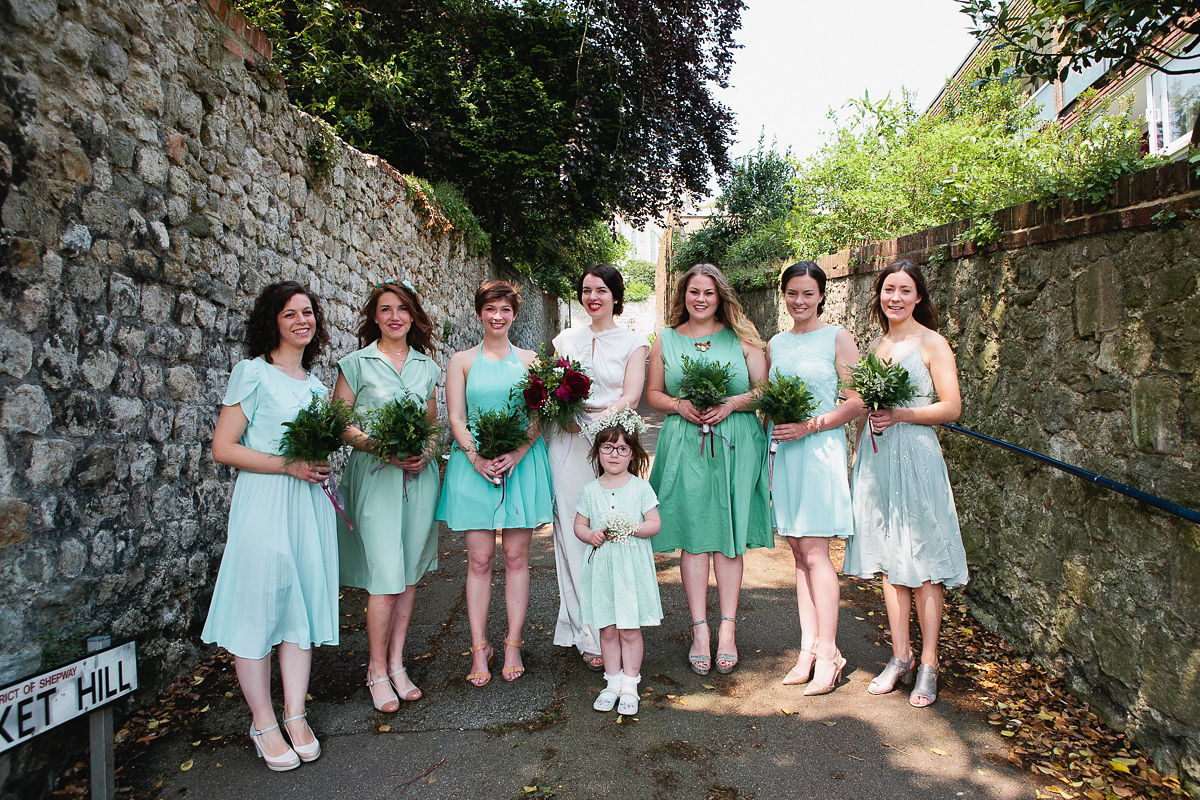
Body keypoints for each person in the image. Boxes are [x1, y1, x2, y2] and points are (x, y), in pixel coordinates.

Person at [202, 281, 337, 771]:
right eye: (290, 314)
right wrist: (290, 465)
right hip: (265, 502)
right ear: (272, 322)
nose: (302, 321)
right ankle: (262, 722)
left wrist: (316, 465)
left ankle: (295, 715)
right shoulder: (252, 373)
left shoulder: (317, 387)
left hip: (308, 505)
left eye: (308, 312)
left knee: (299, 606)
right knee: (258, 607)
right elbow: (225, 447)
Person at [843, 259, 967, 708]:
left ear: (918, 297)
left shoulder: (931, 343)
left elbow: (951, 407)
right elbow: (865, 407)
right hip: (878, 461)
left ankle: (930, 664)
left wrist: (901, 415)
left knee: (925, 562)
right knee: (890, 562)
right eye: (888, 289)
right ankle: (901, 657)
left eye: (904, 290)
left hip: (917, 456)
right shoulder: (877, 347)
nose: (894, 297)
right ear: (879, 295)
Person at [645, 263, 772, 676]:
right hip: (685, 440)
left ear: (721, 298)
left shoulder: (743, 338)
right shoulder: (665, 340)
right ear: (683, 295)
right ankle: (700, 629)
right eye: (694, 292)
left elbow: (764, 391)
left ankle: (728, 630)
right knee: (695, 536)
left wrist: (732, 403)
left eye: (709, 293)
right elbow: (653, 394)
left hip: (735, 441)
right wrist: (679, 405)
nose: (700, 299)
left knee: (729, 537)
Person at [436, 280, 554, 686]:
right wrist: (476, 457)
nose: (497, 316)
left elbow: (540, 415)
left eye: (505, 310)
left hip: (520, 463)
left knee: (517, 558)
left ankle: (513, 643)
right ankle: (478, 647)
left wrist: (518, 452)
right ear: (479, 313)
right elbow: (455, 417)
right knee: (481, 559)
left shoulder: (530, 359)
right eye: (490, 309)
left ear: (515, 314)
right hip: (475, 466)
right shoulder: (461, 361)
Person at [333, 280, 440, 711]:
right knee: (385, 574)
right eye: (385, 309)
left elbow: (433, 427)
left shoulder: (427, 367)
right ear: (374, 316)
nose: (394, 316)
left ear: (413, 315)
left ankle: (397, 663)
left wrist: (426, 453)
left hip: (418, 479)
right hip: (375, 475)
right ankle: (376, 669)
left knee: (409, 571)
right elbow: (339, 424)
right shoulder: (355, 364)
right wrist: (382, 447)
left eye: (402, 309)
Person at [764, 262, 864, 696]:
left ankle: (830, 653)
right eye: (792, 293)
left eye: (807, 293)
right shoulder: (776, 342)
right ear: (783, 295)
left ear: (821, 295)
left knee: (818, 553)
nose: (799, 301)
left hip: (819, 449)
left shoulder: (837, 337)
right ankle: (807, 648)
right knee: (799, 555)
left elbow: (858, 400)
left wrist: (812, 425)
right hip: (783, 451)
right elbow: (769, 397)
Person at [548, 264, 649, 671]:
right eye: (587, 290)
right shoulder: (565, 340)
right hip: (570, 441)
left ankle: (618, 623)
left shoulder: (634, 342)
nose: (593, 297)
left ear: (615, 296)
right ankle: (583, 632)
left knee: (614, 532)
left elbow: (632, 394)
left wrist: (602, 424)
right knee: (575, 532)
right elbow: (554, 387)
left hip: (613, 444)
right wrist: (566, 412)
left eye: (602, 290)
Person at [573, 408, 662, 715]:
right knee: (607, 628)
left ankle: (630, 684)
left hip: (630, 568)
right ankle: (612, 682)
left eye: (622, 449)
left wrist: (632, 527)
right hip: (602, 570)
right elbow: (579, 526)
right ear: (597, 451)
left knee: (629, 628)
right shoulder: (590, 490)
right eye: (607, 448)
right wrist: (590, 536)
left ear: (632, 454)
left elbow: (654, 523)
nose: (614, 454)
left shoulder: (640, 488)